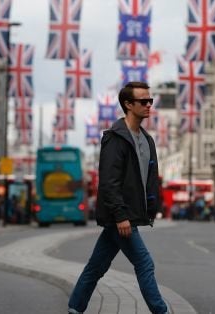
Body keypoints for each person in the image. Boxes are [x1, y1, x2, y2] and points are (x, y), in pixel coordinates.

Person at [68, 82, 168, 314]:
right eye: (143, 101)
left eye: (150, 101)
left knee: (97, 265)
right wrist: (121, 215)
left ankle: (75, 307)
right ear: (128, 105)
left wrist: (151, 207)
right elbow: (109, 182)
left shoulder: (146, 140)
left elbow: (147, 179)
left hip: (130, 214)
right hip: (122, 216)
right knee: (144, 263)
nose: (148, 105)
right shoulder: (115, 138)